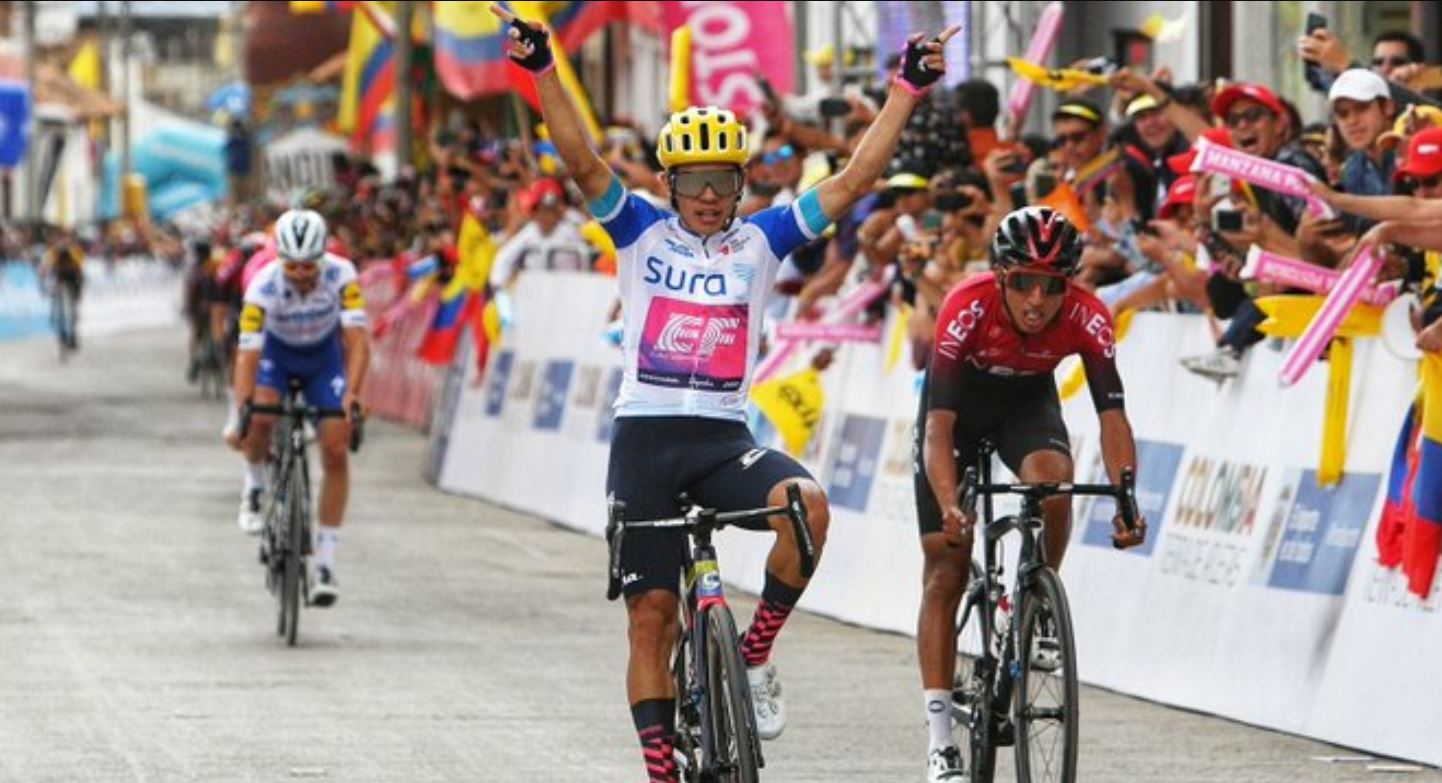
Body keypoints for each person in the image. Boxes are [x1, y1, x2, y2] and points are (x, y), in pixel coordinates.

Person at [491, 5, 959, 781]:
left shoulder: (763, 238)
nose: (710, 196)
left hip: (721, 440)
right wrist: (543, 70)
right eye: (696, 182)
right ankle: (660, 769)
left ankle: (752, 655)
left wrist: (905, 90)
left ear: (742, 182)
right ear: (672, 183)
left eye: (724, 181)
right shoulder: (639, 228)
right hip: (646, 439)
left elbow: (852, 182)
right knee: (651, 618)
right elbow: (580, 162)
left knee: (806, 507)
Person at [914, 206, 1147, 782]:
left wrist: (1126, 499)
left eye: (1052, 287)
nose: (1038, 301)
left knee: (1054, 485)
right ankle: (941, 738)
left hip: (1026, 405)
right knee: (944, 571)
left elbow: (1113, 417)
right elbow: (937, 432)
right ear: (1000, 277)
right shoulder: (965, 306)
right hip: (959, 410)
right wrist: (950, 504)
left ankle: (1037, 605)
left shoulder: (1090, 318)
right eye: (1024, 284)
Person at [232, 209, 369, 607]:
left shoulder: (342, 275)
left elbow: (358, 341)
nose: (301, 274)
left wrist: (353, 393)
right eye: (292, 265)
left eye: (309, 266)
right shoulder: (262, 286)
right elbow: (247, 357)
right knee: (260, 416)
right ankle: (255, 486)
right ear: (279, 259)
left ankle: (324, 563)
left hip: (323, 358)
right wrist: (243, 406)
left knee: (335, 447)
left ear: (322, 258)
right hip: (276, 354)